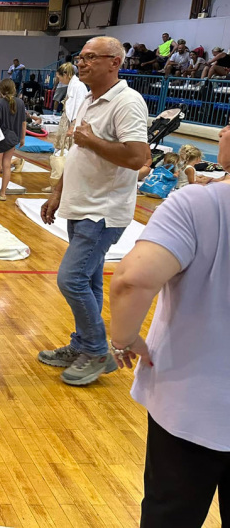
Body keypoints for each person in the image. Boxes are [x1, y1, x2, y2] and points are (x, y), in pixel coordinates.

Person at [108, 119, 230, 528]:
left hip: (192, 405)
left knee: (170, 515)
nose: (223, 130)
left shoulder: (199, 204)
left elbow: (130, 280)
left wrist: (124, 339)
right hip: (193, 406)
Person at [38, 36, 150, 386]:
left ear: (115, 62)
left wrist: (92, 141)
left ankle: (99, 352)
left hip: (103, 212)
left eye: (91, 57)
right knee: (86, 280)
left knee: (70, 279)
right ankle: (83, 345)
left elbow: (136, 158)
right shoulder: (89, 99)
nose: (82, 63)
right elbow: (77, 155)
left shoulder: (128, 103)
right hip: (80, 206)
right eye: (81, 57)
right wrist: (58, 192)